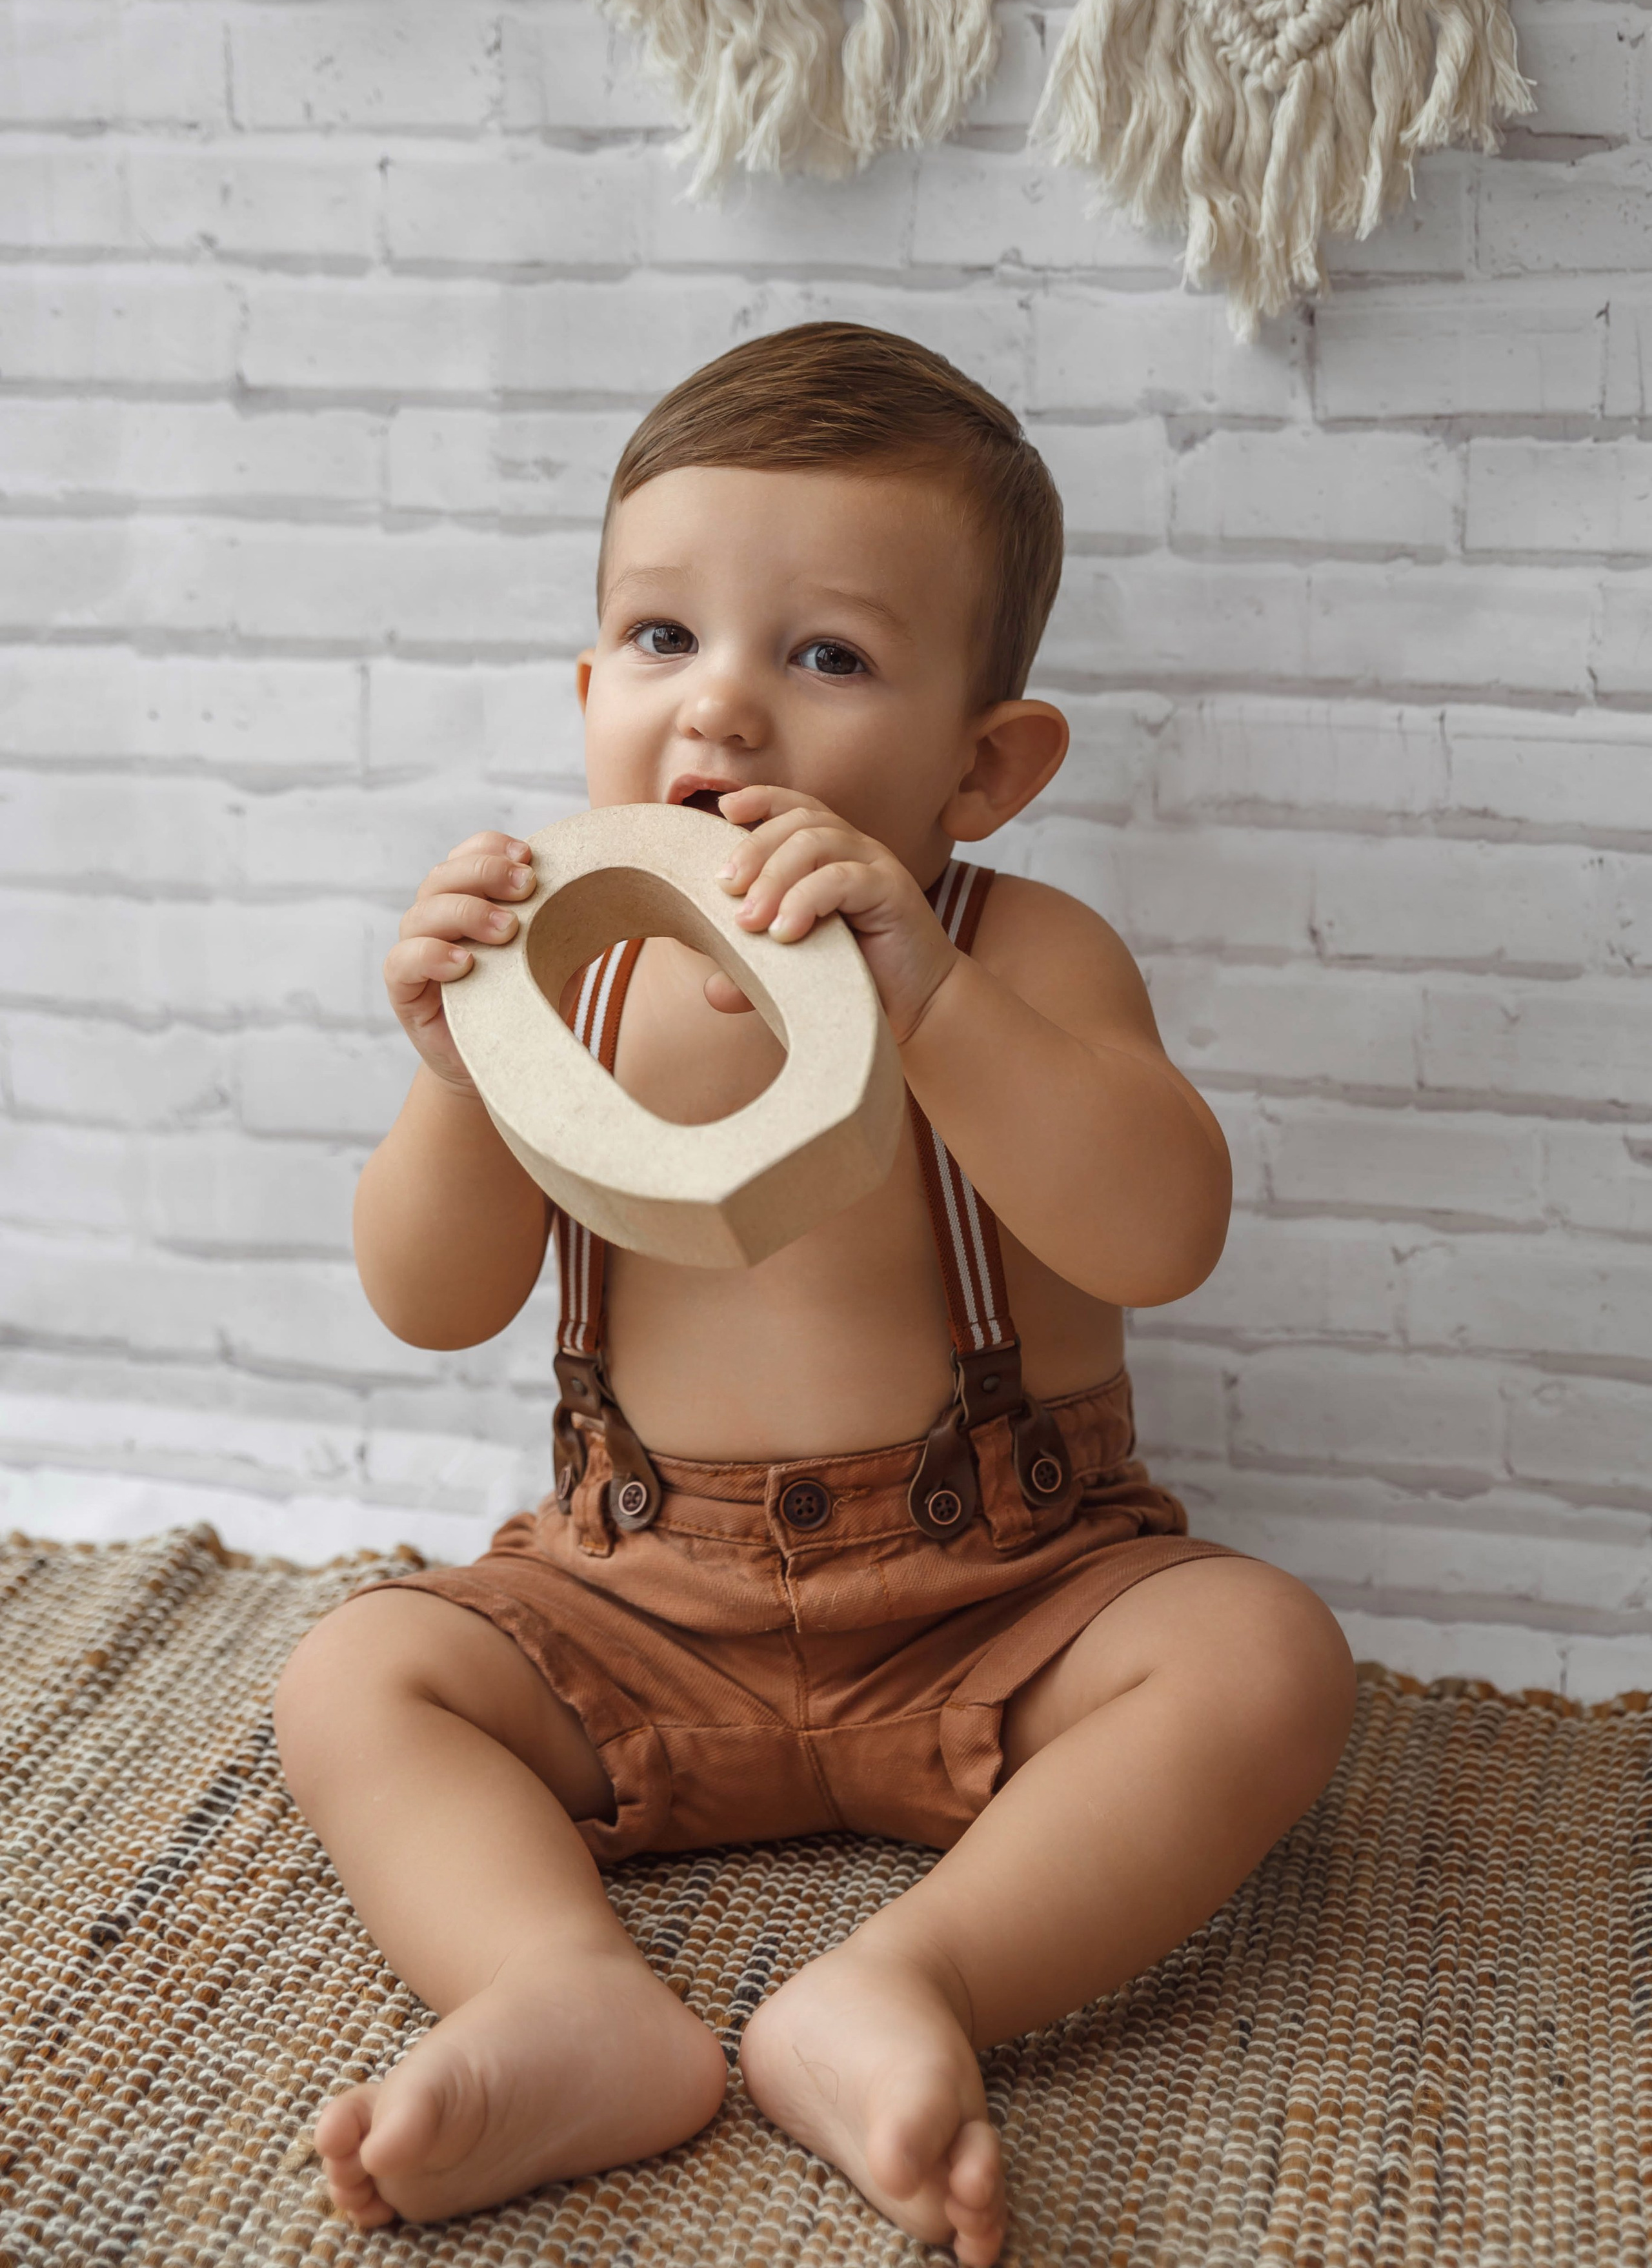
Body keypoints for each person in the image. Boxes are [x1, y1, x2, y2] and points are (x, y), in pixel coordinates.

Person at [273, 323, 1356, 2266]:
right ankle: (560, 1993)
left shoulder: (1019, 950)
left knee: (1259, 1657)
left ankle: (903, 1983)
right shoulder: (562, 976)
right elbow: (429, 1300)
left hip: (1001, 1599)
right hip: (632, 1606)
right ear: (592, 685)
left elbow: (1155, 1231)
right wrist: (451, 1071)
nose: (728, 715)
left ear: (984, 764)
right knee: (359, 1673)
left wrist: (930, 998)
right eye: (667, 642)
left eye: (827, 655)